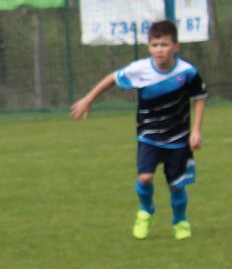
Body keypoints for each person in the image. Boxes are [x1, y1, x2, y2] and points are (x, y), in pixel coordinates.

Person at [70, 18, 207, 240]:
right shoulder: (140, 69)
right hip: (149, 136)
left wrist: (196, 131)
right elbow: (112, 78)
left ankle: (180, 221)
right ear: (149, 47)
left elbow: (200, 97)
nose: (159, 50)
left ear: (175, 47)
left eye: (164, 45)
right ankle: (146, 210)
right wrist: (88, 99)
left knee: (176, 186)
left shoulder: (188, 72)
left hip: (178, 138)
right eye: (154, 45)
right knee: (145, 178)